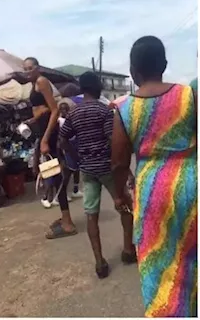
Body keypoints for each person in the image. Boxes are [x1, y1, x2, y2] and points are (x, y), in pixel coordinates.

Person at [112, 36, 197, 317]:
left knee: (157, 259)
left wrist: (120, 194)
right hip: (191, 183)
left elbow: (119, 162)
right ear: (164, 64)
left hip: (150, 191)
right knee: (191, 255)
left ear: (133, 71)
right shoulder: (189, 95)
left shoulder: (124, 107)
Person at [59, 72, 136, 279]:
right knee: (126, 207)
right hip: (107, 168)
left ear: (82, 89)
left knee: (91, 215)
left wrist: (76, 157)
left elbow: (63, 138)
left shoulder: (73, 113)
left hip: (88, 170)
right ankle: (128, 250)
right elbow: (114, 142)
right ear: (98, 87)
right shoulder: (104, 111)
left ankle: (100, 263)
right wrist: (126, 171)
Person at [22, 57, 75, 239]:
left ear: (37, 68)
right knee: (50, 173)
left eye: (30, 68)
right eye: (25, 69)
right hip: (42, 129)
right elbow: (43, 108)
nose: (27, 71)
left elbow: (54, 110)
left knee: (54, 175)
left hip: (48, 134)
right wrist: (33, 120)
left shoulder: (42, 81)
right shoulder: (34, 84)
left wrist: (45, 139)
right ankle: (64, 216)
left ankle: (67, 222)